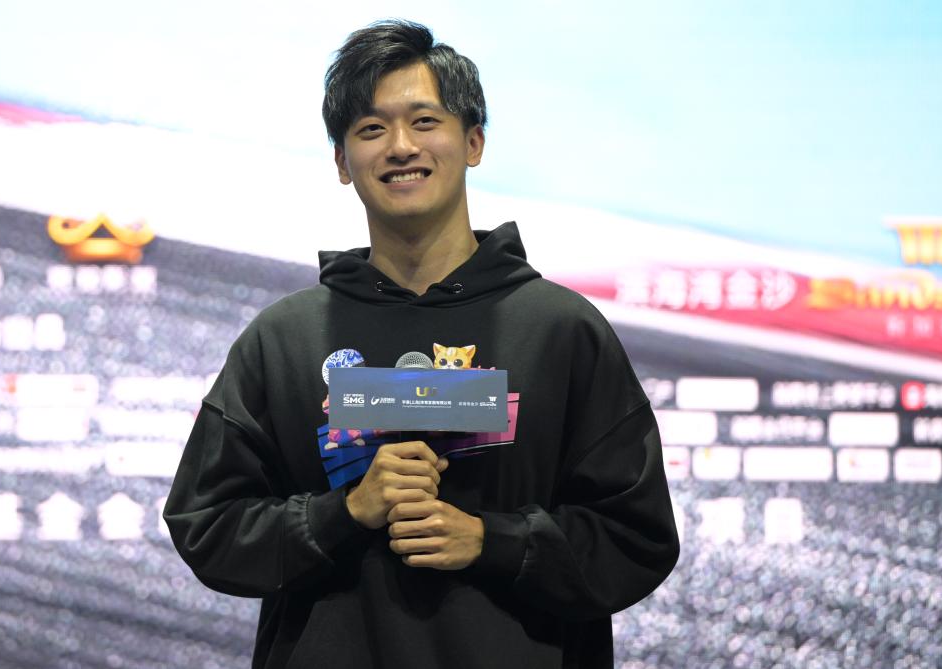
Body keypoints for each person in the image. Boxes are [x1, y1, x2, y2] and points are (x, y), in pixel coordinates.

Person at [164, 19, 679, 669]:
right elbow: (207, 523)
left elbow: (636, 536)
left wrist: (493, 541)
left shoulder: (559, 330)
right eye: (371, 129)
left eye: (425, 121)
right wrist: (345, 512)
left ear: (474, 141)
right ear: (341, 162)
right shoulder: (285, 339)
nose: (401, 146)